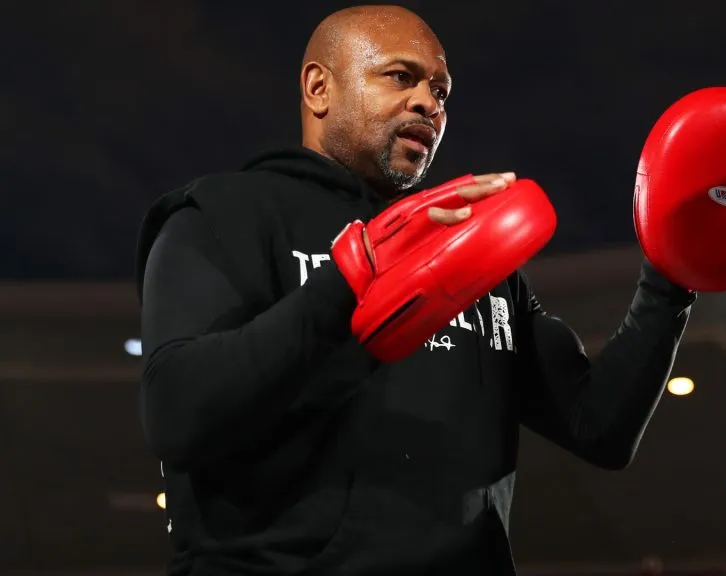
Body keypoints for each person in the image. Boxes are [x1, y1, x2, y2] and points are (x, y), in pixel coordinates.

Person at [135, 5, 695, 575]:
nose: (430, 102)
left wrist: (671, 279)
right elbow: (178, 415)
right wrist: (350, 281)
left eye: (441, 90)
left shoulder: (470, 249)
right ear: (319, 87)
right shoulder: (221, 213)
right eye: (400, 77)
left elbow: (599, 427)